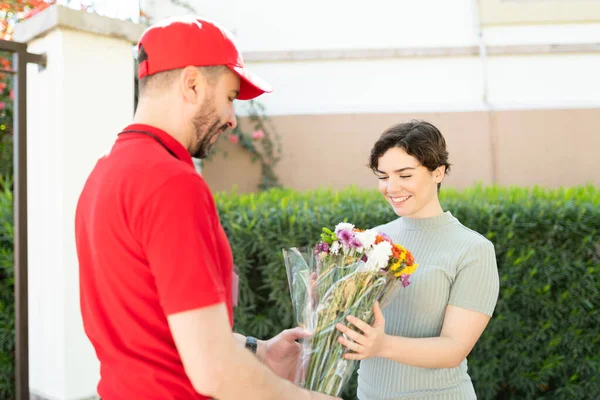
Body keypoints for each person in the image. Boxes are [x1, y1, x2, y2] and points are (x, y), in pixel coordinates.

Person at [75, 16, 338, 400]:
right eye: (230, 97)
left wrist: (259, 351)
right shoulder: (172, 183)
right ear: (192, 83)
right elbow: (214, 372)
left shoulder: (103, 175)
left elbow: (161, 325)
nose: (232, 119)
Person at [335, 120, 500, 399]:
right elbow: (356, 326)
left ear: (438, 173)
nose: (391, 187)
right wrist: (327, 300)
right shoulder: (374, 240)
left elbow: (453, 350)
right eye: (383, 176)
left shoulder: (472, 249)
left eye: (405, 175)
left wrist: (383, 346)